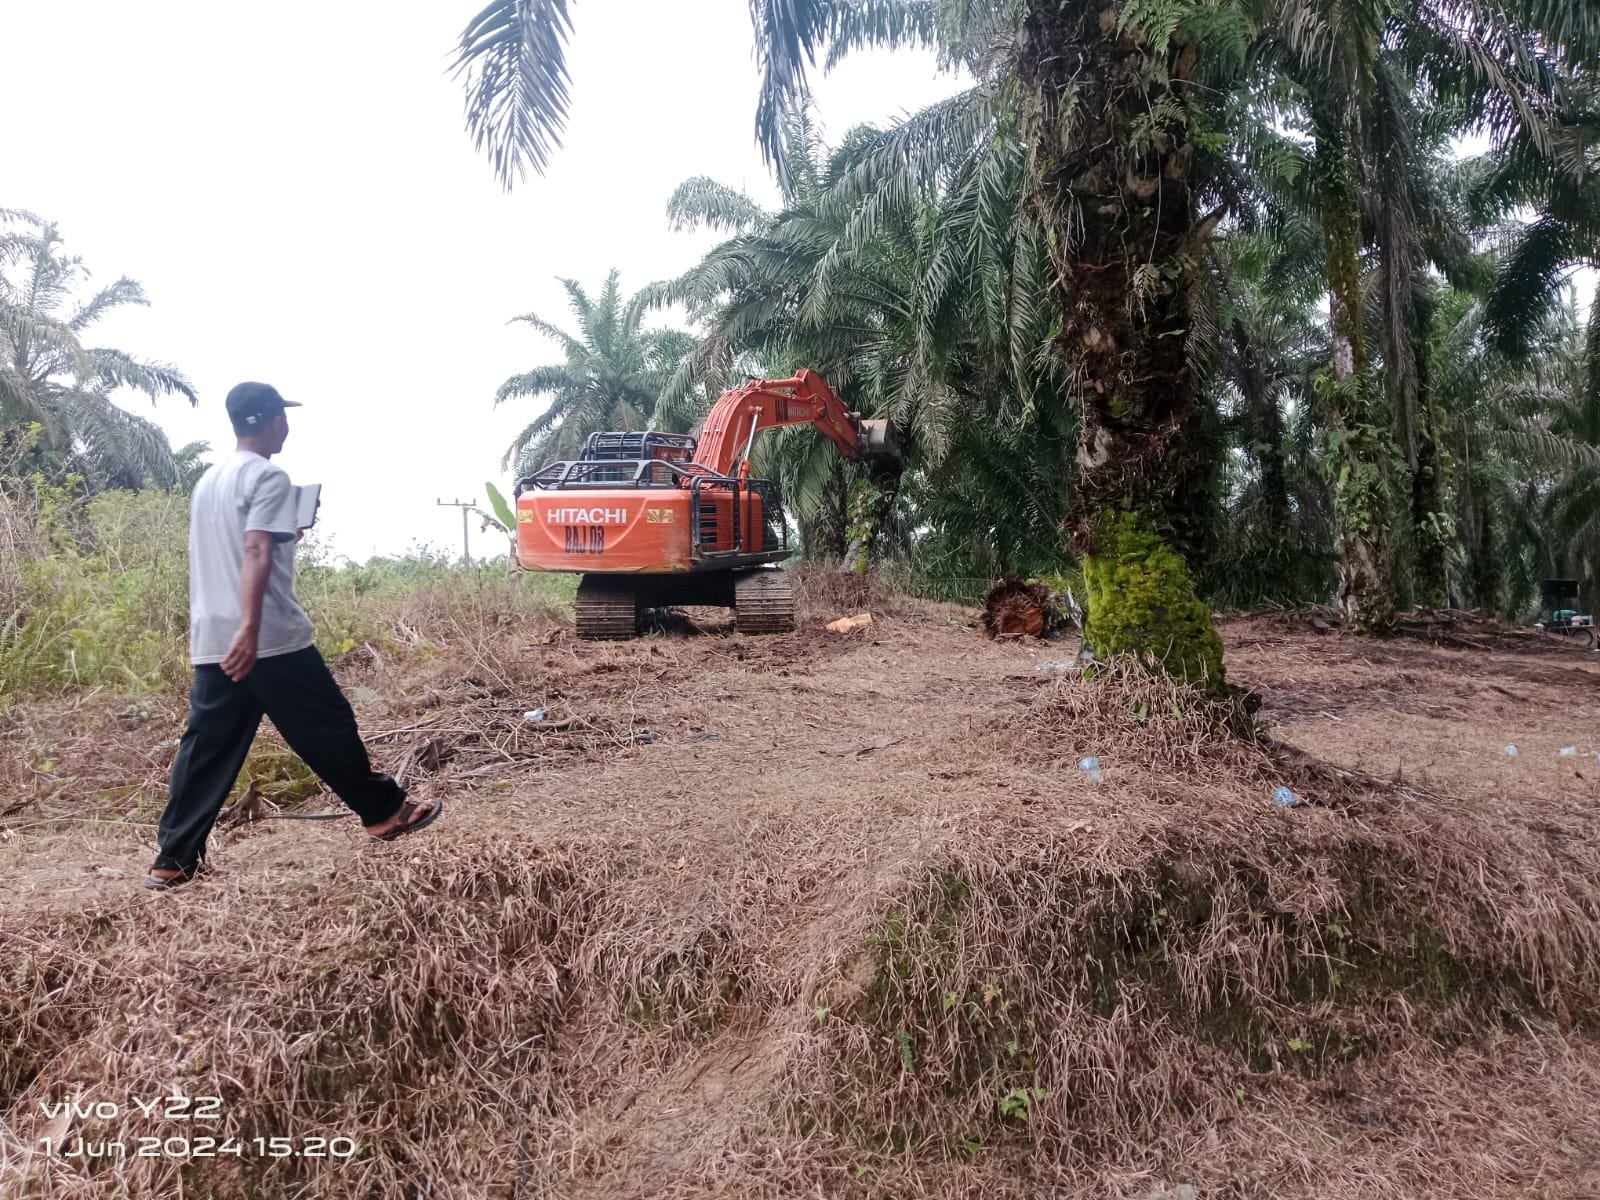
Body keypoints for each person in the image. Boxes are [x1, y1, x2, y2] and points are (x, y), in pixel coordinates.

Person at [145, 382, 441, 890]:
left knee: (206, 749)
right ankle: (384, 813)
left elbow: (248, 546)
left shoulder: (210, 481)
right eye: (283, 416)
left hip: (213, 636)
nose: (288, 425)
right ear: (268, 420)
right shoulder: (267, 475)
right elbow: (257, 552)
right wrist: (251, 630)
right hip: (267, 638)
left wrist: (289, 537)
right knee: (326, 725)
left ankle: (172, 859)